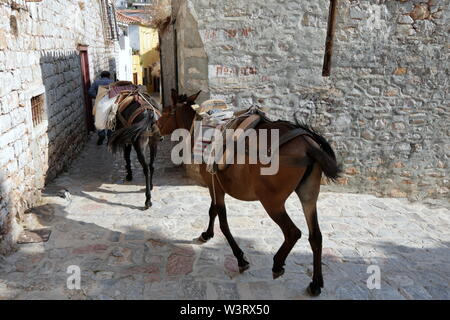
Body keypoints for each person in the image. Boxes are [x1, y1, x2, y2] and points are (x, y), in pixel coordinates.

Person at [89, 71, 114, 145]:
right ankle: (110, 137)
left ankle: (101, 134)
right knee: (111, 120)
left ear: (101, 76)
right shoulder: (112, 82)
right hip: (111, 104)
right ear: (109, 76)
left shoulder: (96, 82)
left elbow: (90, 91)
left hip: (100, 104)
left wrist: (97, 97)